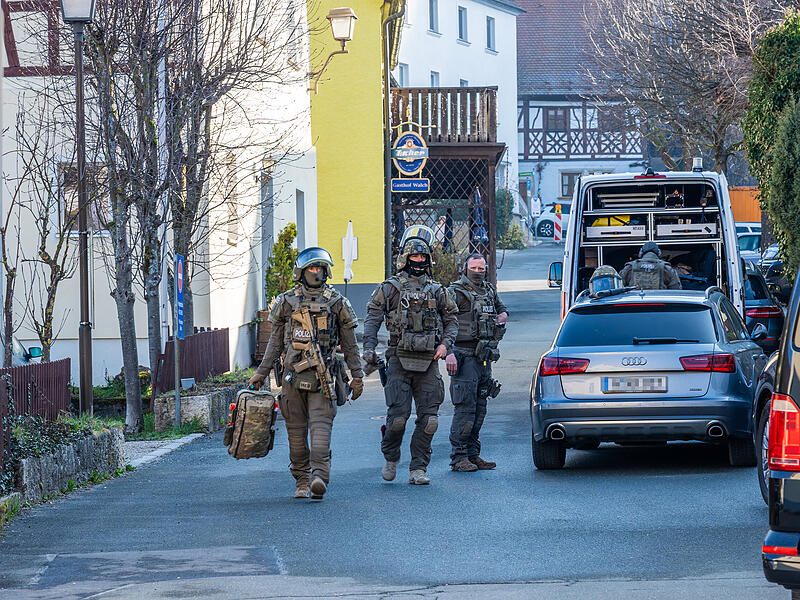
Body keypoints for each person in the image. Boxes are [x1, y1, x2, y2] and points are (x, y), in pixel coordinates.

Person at [248, 247, 364, 501]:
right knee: (296, 434)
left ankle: (319, 478)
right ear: (301, 272)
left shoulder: (337, 303)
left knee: (321, 433)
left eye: (321, 268)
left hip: (324, 378)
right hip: (292, 379)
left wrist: (357, 375)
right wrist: (261, 372)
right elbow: (274, 343)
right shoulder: (287, 302)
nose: (317, 272)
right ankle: (301, 480)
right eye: (312, 268)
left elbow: (350, 344)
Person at [362, 225, 459, 485]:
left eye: (423, 257)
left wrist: (445, 345)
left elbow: (451, 320)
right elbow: (372, 318)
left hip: (428, 361)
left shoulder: (438, 290)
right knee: (397, 420)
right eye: (415, 257)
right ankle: (391, 457)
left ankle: (418, 468)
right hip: (398, 359)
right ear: (405, 259)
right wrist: (368, 348)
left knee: (430, 421)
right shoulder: (390, 287)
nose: (419, 261)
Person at [445, 254, 508, 472]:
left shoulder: (488, 290)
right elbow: (443, 324)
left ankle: (473, 454)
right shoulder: (455, 292)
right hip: (463, 356)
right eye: (474, 267)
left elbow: (502, 308)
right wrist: (449, 353)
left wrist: (503, 316)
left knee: (480, 407)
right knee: (465, 408)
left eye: (481, 268)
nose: (478, 271)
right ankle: (458, 457)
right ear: (465, 268)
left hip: (484, 357)